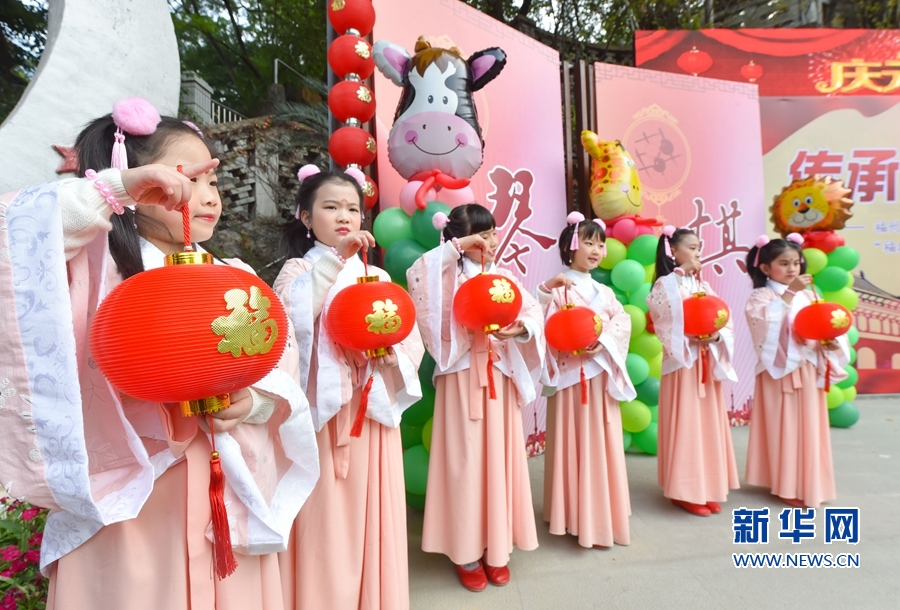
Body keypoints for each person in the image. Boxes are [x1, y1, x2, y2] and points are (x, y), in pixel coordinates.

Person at [0, 98, 318, 610]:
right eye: (182, 177)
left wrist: (251, 403)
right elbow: (14, 237)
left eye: (211, 181)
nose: (205, 194)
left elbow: (278, 367)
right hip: (132, 496)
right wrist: (113, 192)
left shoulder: (232, 273)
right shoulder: (90, 265)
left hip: (224, 479)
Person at [273, 165, 424, 610]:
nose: (344, 216)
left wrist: (390, 356)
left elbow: (406, 337)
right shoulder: (298, 270)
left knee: (371, 515)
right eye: (331, 206)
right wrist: (335, 260)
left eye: (354, 208)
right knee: (324, 519)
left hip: (371, 411)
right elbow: (288, 324)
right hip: (324, 416)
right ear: (305, 217)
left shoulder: (376, 278)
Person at [406, 203, 543, 592]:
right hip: (462, 374)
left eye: (493, 233)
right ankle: (465, 551)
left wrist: (520, 330)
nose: (490, 241)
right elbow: (419, 276)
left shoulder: (502, 276)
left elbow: (532, 312)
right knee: (465, 462)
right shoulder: (441, 271)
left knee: (500, 459)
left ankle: (496, 548)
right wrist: (454, 250)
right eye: (481, 235)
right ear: (458, 238)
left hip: (499, 375)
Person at [537, 213, 635, 549]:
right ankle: (573, 514)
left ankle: (601, 512)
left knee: (601, 441)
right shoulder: (558, 285)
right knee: (574, 439)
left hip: (599, 371)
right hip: (571, 377)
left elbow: (621, 323)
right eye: (588, 242)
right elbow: (544, 325)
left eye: (600, 243)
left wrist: (603, 341)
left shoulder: (604, 291)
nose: (595, 249)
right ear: (571, 246)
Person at [744, 234, 849, 508]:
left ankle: (810, 481)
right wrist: (790, 294)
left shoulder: (807, 295)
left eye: (796, 263)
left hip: (807, 368)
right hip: (780, 373)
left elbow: (820, 323)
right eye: (784, 263)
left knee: (809, 427)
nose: (792, 269)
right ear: (765, 268)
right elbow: (764, 329)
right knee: (786, 427)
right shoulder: (761, 296)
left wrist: (827, 338)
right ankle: (786, 484)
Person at [647, 226, 739, 517]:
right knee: (687, 424)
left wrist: (717, 336)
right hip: (683, 363)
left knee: (707, 425)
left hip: (706, 361)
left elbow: (725, 319)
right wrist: (679, 274)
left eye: (699, 248)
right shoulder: (666, 283)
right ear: (672, 250)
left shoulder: (704, 287)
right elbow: (661, 313)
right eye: (691, 247)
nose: (698, 252)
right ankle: (685, 490)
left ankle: (707, 487)